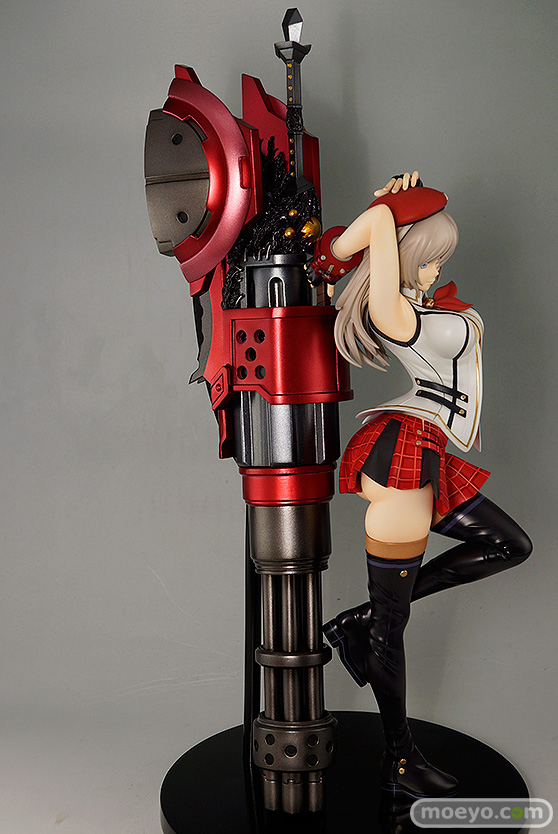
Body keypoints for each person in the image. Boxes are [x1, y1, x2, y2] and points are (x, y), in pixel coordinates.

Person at [312, 172, 532, 799]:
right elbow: (368, 235)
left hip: (427, 449)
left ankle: (361, 619)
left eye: (441, 258)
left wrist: (401, 205)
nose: (437, 270)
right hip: (403, 457)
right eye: (429, 257)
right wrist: (385, 210)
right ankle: (400, 761)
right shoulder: (397, 313)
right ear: (404, 254)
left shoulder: (421, 305)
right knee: (390, 629)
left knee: (508, 545)